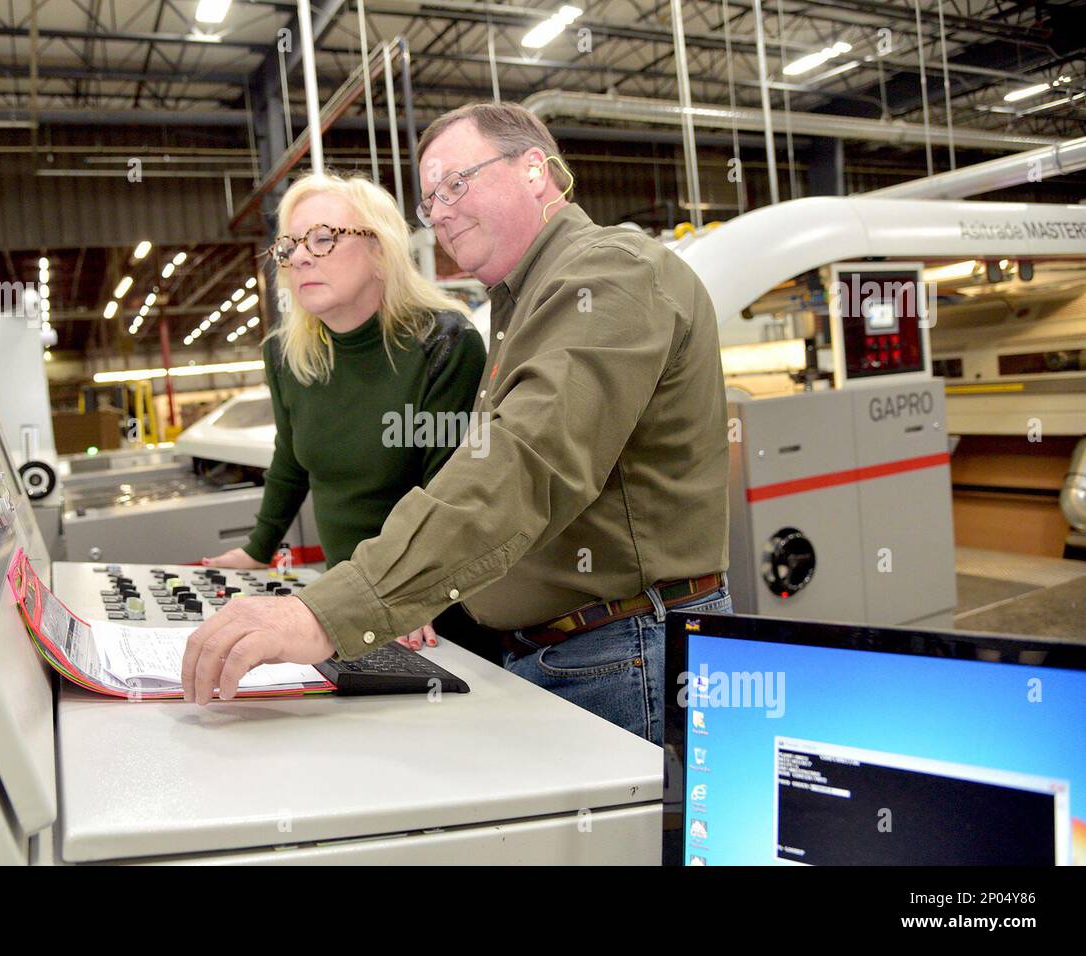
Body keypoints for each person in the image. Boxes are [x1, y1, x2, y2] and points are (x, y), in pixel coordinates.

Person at [182, 103, 730, 745]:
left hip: (622, 648)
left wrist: (328, 612)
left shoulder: (609, 273)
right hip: (563, 648)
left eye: (455, 183)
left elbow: (522, 465)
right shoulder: (523, 303)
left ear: (534, 170)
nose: (438, 211)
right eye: (428, 199)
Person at [201, 171, 487, 654]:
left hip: (433, 611)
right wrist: (258, 548)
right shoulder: (287, 356)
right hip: (343, 596)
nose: (301, 256)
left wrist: (400, 596)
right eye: (289, 245)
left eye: (323, 239)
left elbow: (447, 495)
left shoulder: (443, 344)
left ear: (381, 250)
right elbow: (290, 458)